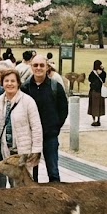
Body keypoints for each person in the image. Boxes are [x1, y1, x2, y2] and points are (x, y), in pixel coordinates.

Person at [21, 55, 68, 183]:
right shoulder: (25, 87)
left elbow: (63, 109)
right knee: (31, 173)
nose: (38, 68)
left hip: (49, 136)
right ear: (31, 67)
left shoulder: (55, 86)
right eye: (35, 65)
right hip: (31, 136)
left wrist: (55, 126)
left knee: (53, 171)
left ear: (47, 67)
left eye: (42, 65)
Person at [0, 68, 42, 186]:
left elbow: (36, 127)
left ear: (18, 83)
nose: (9, 84)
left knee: (24, 185)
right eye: (6, 81)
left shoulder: (28, 101)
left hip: (24, 151)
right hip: (7, 151)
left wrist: (36, 150)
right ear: (2, 83)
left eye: (13, 81)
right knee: (12, 184)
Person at [87, 60, 107, 126]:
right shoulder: (103, 73)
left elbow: (89, 79)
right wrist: (102, 70)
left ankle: (94, 120)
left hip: (93, 91)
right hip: (100, 91)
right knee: (99, 107)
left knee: (93, 106)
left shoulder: (93, 73)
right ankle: (98, 120)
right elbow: (104, 79)